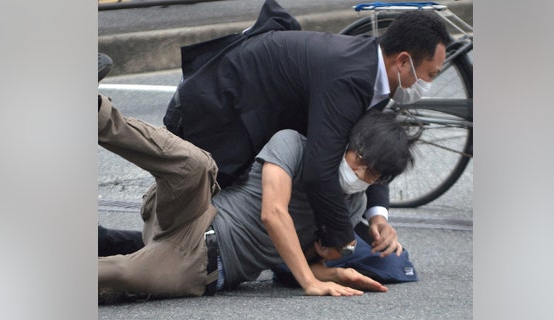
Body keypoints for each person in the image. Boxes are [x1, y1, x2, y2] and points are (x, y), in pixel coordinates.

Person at [162, 0, 451, 256]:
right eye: (429, 74)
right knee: (187, 237)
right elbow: (318, 171)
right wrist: (343, 242)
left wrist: (378, 216)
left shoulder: (373, 71)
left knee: (195, 241)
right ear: (402, 61)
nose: (427, 85)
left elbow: (373, 144)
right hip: (206, 112)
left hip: (238, 114)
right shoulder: (351, 79)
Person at [97, 92, 417, 304]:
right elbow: (273, 213)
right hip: (194, 213)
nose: (360, 174)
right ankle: (97, 112)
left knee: (117, 276)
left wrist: (331, 271)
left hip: (199, 267)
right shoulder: (293, 145)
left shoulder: (353, 205)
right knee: (195, 165)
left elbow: (292, 267)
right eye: (359, 159)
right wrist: (310, 281)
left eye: (373, 175)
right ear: (347, 143)